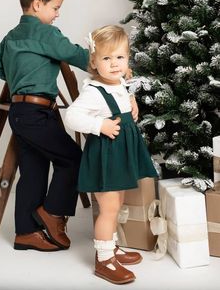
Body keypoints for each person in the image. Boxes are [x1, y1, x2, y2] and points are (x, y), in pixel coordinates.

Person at [0, 0, 90, 252]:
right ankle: (53, 213)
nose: (57, 14)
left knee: (33, 169)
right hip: (36, 114)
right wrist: (108, 62)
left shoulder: (12, 36)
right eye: (55, 7)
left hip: (18, 112)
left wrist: (20, 75)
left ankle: (26, 233)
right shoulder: (46, 33)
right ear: (37, 4)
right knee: (73, 159)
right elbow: (76, 55)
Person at [64, 25, 158, 284]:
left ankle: (111, 246)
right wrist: (99, 126)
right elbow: (71, 116)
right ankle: (104, 260)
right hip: (106, 157)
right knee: (108, 208)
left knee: (118, 202)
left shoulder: (119, 81)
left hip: (121, 155)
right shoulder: (93, 92)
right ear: (94, 62)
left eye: (120, 57)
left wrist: (132, 102)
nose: (115, 64)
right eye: (107, 58)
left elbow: (121, 90)